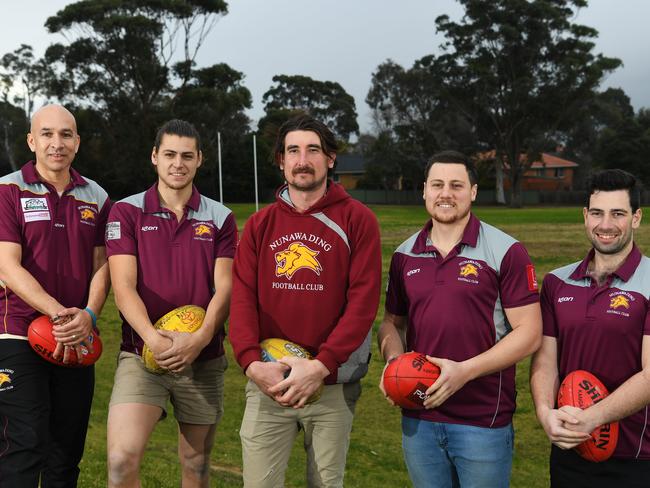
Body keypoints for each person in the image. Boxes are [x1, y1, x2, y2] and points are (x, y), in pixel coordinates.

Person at [229, 114, 382, 487]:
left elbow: (363, 303)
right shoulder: (260, 224)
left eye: (313, 150)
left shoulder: (358, 219)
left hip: (330, 382)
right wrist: (250, 362)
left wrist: (321, 366)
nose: (302, 160)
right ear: (281, 161)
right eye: (292, 151)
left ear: (330, 159)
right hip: (269, 378)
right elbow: (243, 298)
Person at [377, 150, 542, 488]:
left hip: (482, 420)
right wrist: (395, 363)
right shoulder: (405, 255)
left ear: (474, 192)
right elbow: (392, 322)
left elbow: (530, 332)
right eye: (437, 185)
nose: (446, 193)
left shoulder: (506, 251)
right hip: (419, 415)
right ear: (424, 190)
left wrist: (463, 372)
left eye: (456, 185)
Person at [104, 119, 236, 488]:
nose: (178, 163)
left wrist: (198, 339)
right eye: (170, 155)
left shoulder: (220, 217)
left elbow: (223, 289)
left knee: (195, 465)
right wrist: (153, 339)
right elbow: (123, 285)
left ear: (199, 161)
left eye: (187, 156)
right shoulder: (126, 212)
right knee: (119, 460)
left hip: (202, 357)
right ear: (154, 157)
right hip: (141, 353)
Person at [0, 104, 111, 487]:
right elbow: (7, 267)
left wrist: (89, 316)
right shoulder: (7, 189)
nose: (56, 143)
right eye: (46, 134)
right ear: (32, 140)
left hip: (78, 338)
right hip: (16, 333)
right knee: (23, 445)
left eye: (66, 134)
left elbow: (103, 266)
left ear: (77, 142)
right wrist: (60, 314)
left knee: (66, 453)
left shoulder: (96, 196)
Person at [530, 169, 650, 487]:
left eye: (618, 214)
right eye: (597, 213)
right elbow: (545, 362)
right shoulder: (557, 282)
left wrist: (593, 417)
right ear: (585, 216)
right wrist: (545, 413)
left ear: (636, 218)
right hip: (570, 451)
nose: (605, 225)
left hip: (636, 456)